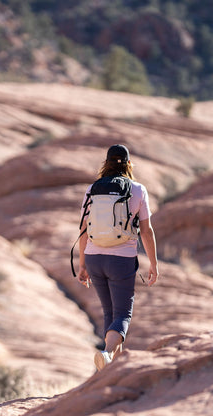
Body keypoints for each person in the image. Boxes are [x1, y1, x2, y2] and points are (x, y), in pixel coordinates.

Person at [76, 144, 158, 370]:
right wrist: (153, 264)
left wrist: (82, 263)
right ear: (129, 164)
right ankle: (107, 353)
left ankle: (112, 368)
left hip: (94, 257)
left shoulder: (92, 189)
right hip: (121, 259)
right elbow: (147, 231)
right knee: (122, 314)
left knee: (110, 314)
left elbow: (83, 228)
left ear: (106, 163)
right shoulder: (138, 190)